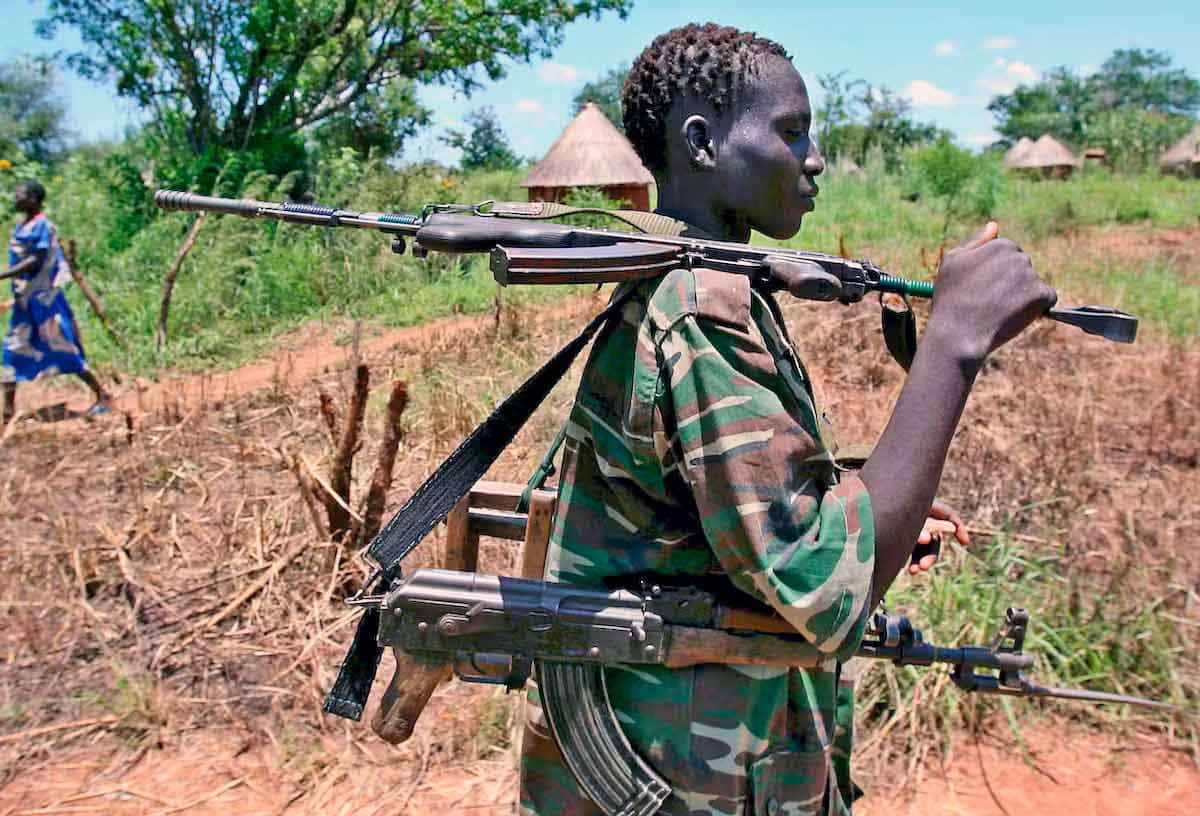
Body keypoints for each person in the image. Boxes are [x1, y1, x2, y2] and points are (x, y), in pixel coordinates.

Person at [518, 22, 1053, 816]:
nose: (815, 158)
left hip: (684, 753)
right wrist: (953, 347)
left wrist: (860, 499)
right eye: (790, 130)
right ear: (700, 143)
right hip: (682, 777)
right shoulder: (703, 307)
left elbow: (717, 509)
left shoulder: (696, 282)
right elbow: (829, 587)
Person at [2, 180, 111, 424]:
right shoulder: (22, 227)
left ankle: (103, 395)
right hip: (25, 303)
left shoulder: (43, 226)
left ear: (34, 199)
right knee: (12, 350)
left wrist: (4, 274)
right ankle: (7, 414)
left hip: (45, 301)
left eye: (20, 194)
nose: (15, 197)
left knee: (64, 349)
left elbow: (37, 260)